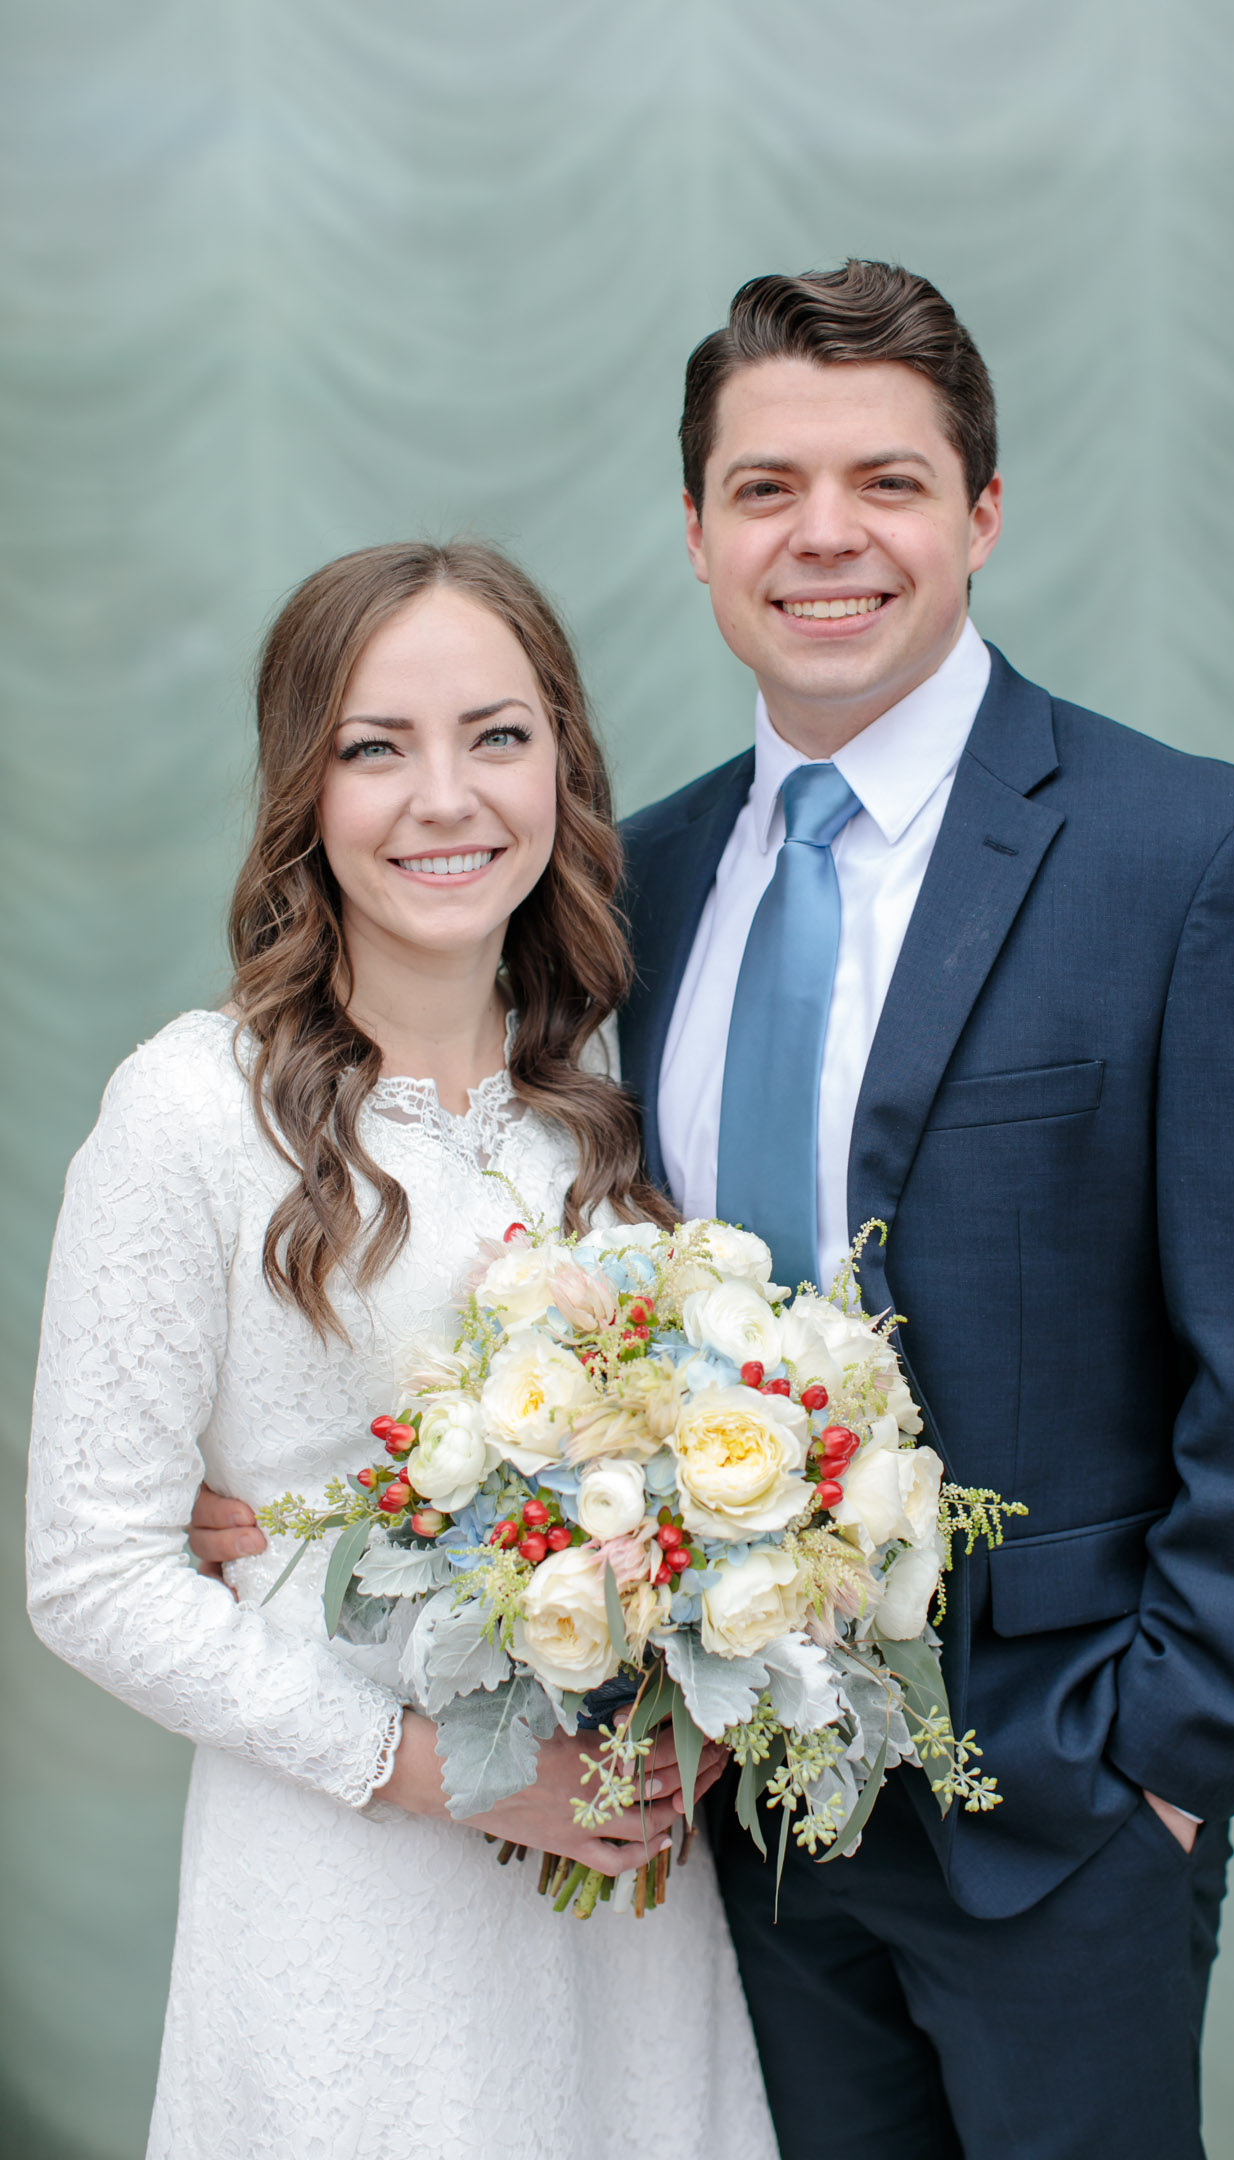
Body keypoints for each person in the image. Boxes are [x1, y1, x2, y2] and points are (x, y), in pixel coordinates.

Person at [191, 261, 1234, 2159]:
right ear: (694, 531)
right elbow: (531, 1256)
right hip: (719, 1822)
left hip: (1063, 1799)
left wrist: (1167, 1764)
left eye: (888, 482)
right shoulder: (625, 889)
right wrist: (315, 1498)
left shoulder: (1194, 858)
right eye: (765, 488)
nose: (826, 535)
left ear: (982, 511)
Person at [27, 541, 777, 2160]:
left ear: (562, 763)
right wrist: (435, 1771)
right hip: (348, 1883)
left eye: (497, 736)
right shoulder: (191, 1114)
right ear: (307, 788)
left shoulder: (612, 1109)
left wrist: (704, 1692)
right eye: (378, 747)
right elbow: (89, 1571)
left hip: (625, 1907)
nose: (447, 797)